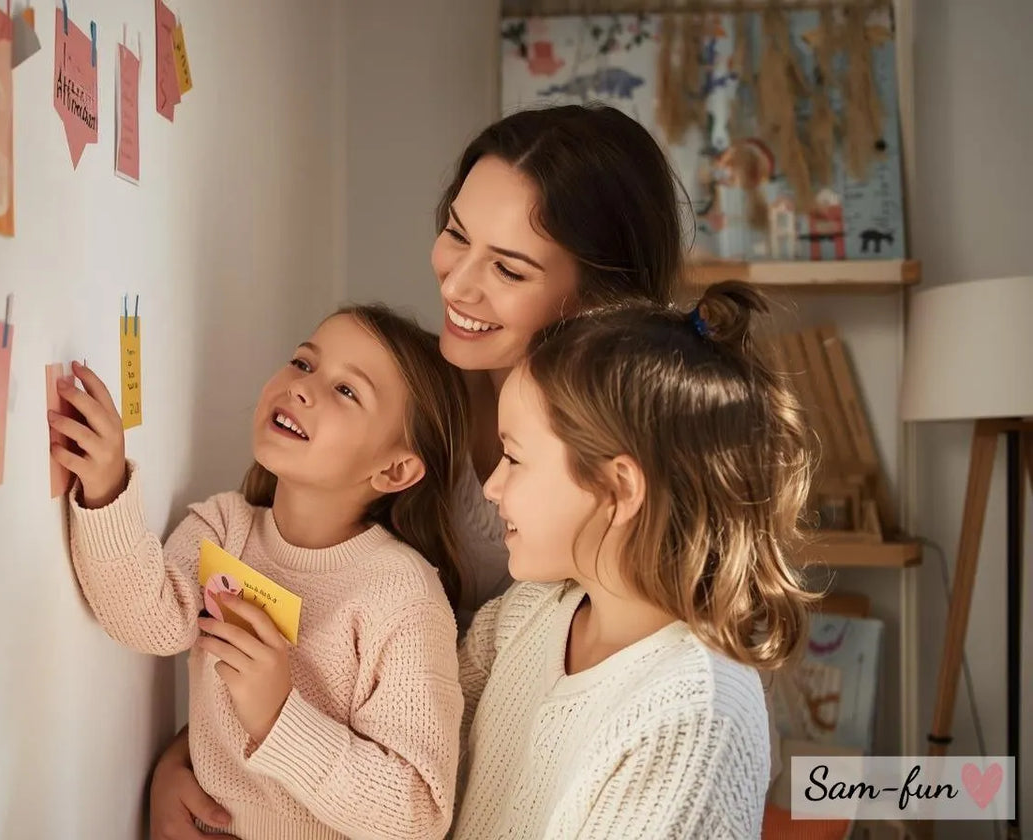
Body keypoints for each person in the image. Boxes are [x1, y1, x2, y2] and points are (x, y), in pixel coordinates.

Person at [150, 103, 687, 840]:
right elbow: (302, 595)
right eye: (457, 235)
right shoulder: (402, 397)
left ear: (595, 297)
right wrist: (197, 755)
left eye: (507, 267)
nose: (459, 287)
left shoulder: (624, 484)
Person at [52, 304, 471, 840]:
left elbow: (417, 814)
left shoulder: (404, 594)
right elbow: (148, 622)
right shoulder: (224, 526)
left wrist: (278, 716)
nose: (303, 387)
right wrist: (106, 491)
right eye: (303, 363)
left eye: (347, 391)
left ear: (394, 469)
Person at [453, 281, 815, 836]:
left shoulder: (694, 719)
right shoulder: (528, 613)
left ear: (619, 487)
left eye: (514, 457)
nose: (493, 486)